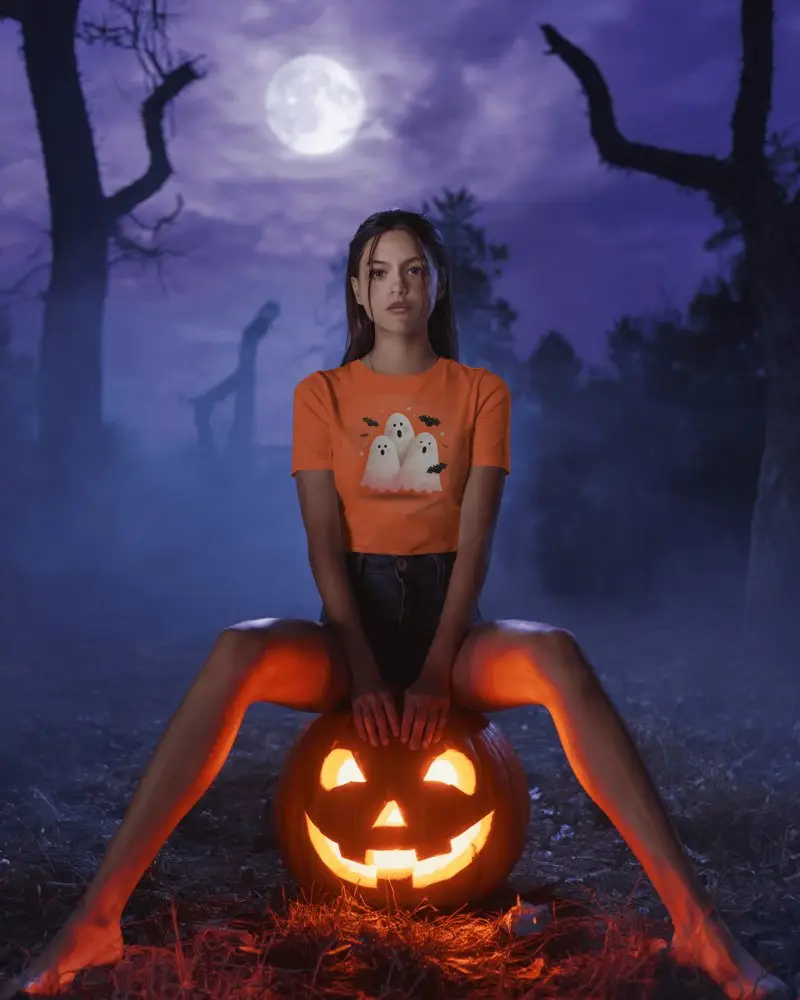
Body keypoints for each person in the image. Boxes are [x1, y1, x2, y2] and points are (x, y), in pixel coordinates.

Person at [6, 210, 787, 1000]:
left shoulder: (480, 393)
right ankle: (95, 920)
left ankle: (698, 926)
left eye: (415, 270)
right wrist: (365, 670)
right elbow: (323, 543)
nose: (398, 287)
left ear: (437, 285)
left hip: (450, 621)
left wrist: (439, 669)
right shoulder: (322, 395)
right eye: (379, 271)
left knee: (557, 652)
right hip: (353, 625)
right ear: (357, 288)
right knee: (238, 647)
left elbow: (475, 544)